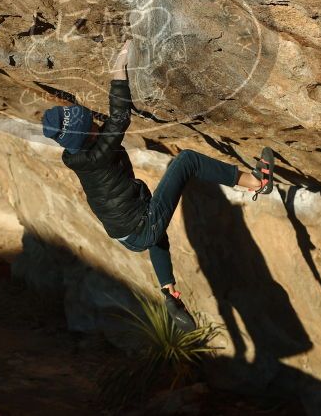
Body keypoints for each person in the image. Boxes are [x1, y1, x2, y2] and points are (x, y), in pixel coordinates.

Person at [42, 39, 275, 332]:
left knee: (155, 230)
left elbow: (99, 128)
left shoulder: (72, 155)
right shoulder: (101, 153)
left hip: (123, 234)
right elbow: (119, 116)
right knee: (186, 161)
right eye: (88, 123)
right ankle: (256, 182)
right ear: (85, 135)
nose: (93, 122)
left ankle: (168, 291)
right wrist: (119, 67)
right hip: (138, 226)